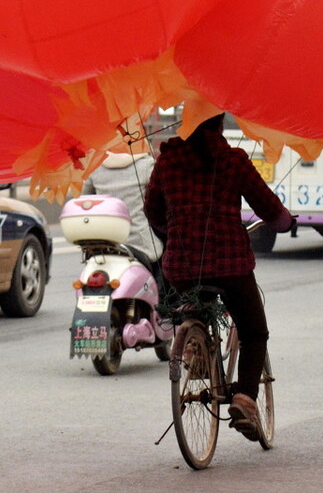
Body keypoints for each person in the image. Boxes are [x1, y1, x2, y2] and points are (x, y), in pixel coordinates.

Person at [144, 113, 292, 443]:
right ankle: (243, 400)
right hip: (231, 265)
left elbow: (152, 211)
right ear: (220, 125)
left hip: (182, 268)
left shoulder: (167, 161)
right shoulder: (232, 159)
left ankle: (196, 346)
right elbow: (269, 208)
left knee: (194, 306)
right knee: (254, 332)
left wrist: (173, 232)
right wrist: (285, 223)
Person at [83, 147, 162, 278]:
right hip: (142, 245)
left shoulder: (95, 167)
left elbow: (85, 201)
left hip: (105, 244)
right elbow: (158, 201)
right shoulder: (146, 165)